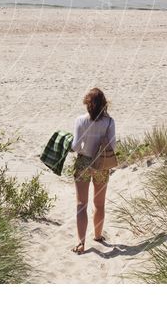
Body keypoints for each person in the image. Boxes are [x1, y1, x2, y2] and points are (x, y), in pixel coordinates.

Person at [70, 87, 116, 254]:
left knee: (81, 205)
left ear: (87, 104)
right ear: (104, 104)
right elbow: (113, 146)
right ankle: (97, 235)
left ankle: (81, 243)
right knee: (99, 204)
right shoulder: (110, 122)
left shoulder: (81, 120)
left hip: (83, 162)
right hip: (101, 164)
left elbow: (75, 146)